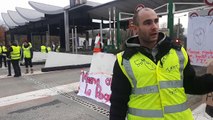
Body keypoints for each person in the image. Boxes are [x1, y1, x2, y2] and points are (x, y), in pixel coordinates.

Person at [109, 7, 213, 120]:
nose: (154, 27)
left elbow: (191, 85)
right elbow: (118, 104)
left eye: (156, 21)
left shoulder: (178, 53)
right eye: (148, 23)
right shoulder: (124, 61)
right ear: (136, 29)